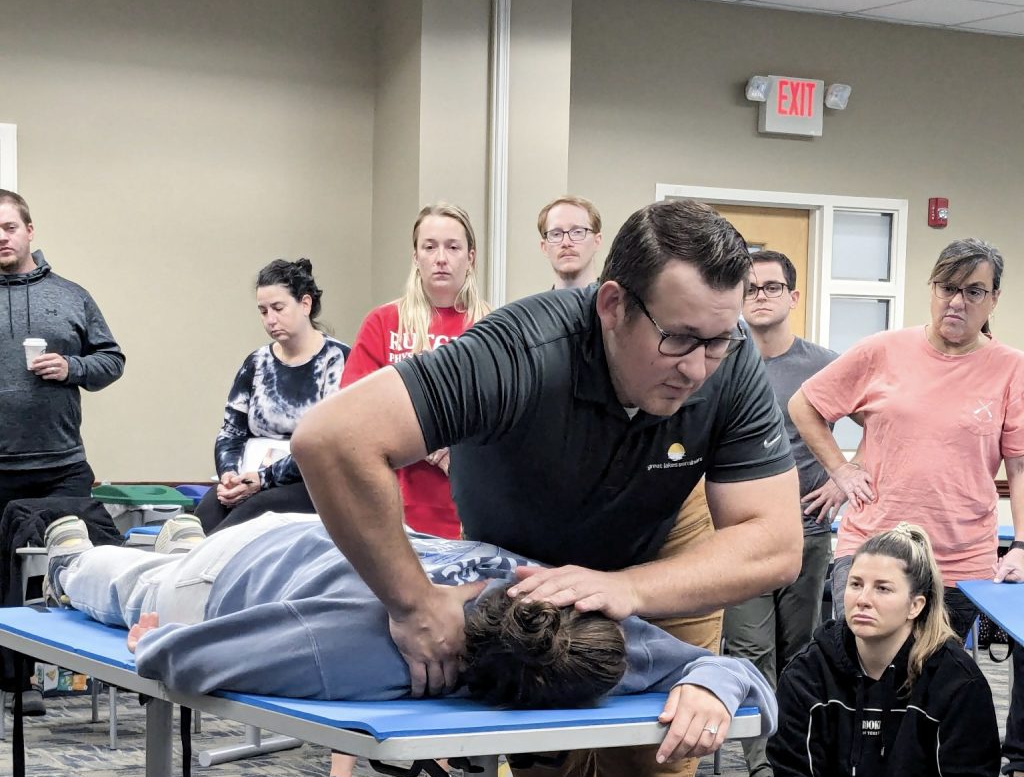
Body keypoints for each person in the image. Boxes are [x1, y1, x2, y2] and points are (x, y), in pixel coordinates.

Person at [292, 198, 802, 777]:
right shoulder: (519, 350)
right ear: (611, 305)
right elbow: (331, 438)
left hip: (662, 554)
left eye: (720, 339)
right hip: (528, 568)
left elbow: (774, 542)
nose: (699, 366)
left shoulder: (725, 362)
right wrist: (413, 602)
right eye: (678, 339)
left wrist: (628, 589)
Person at [41, 512, 777, 737]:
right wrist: (159, 638)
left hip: (327, 533)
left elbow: (721, 669)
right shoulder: (366, 653)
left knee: (168, 568)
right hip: (237, 574)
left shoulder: (570, 615)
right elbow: (182, 661)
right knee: (126, 587)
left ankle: (178, 543)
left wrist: (712, 687)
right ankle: (68, 559)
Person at [789, 237, 1024, 777]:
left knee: (934, 683)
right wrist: (842, 470)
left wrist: (1021, 544)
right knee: (861, 678)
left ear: (993, 299)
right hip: (871, 549)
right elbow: (806, 405)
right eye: (947, 289)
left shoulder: (1010, 369)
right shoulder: (882, 350)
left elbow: (1017, 464)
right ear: (932, 290)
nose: (957, 303)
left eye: (974, 292)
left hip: (960, 558)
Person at [305, 203, 489, 777]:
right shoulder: (384, 324)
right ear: (415, 255)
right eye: (430, 246)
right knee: (361, 631)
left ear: (470, 257)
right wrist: (416, 441)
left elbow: (509, 421)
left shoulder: (491, 327)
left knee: (442, 634)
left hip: (458, 514)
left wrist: (458, 448)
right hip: (389, 511)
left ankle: (437, 771)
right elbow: (348, 417)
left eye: (453, 247)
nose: (441, 257)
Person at [718, 523, 1001, 777]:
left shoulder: (956, 680)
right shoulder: (808, 672)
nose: (863, 600)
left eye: (883, 589)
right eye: (856, 584)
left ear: (915, 605)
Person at [723, 251, 847, 777]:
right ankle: (763, 769)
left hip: (808, 530)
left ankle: (798, 756)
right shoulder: (722, 357)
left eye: (773, 286)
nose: (760, 295)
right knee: (750, 648)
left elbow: (886, 418)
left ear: (794, 297)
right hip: (739, 537)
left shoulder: (824, 364)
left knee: (799, 649)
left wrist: (846, 477)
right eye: (750, 287)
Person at [0, 188, 125, 715]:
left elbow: (112, 360)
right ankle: (13, 683)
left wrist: (70, 368)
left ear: (30, 231)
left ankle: (59, 675)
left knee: (81, 564)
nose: (0, 238)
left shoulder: (71, 296)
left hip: (61, 467)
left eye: (8, 227)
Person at [194, 259, 349, 534]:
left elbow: (326, 444)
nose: (270, 320)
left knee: (248, 517)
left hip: (310, 483)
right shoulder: (256, 362)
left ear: (305, 304)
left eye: (278, 308)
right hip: (251, 476)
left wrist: (264, 479)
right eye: (263, 311)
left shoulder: (336, 361)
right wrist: (229, 476)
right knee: (207, 510)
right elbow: (230, 433)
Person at [538, 196, 603, 289]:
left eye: (577, 232)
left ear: (597, 241)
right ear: (544, 247)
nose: (566, 242)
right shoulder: (532, 304)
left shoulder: (619, 303)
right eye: (556, 234)